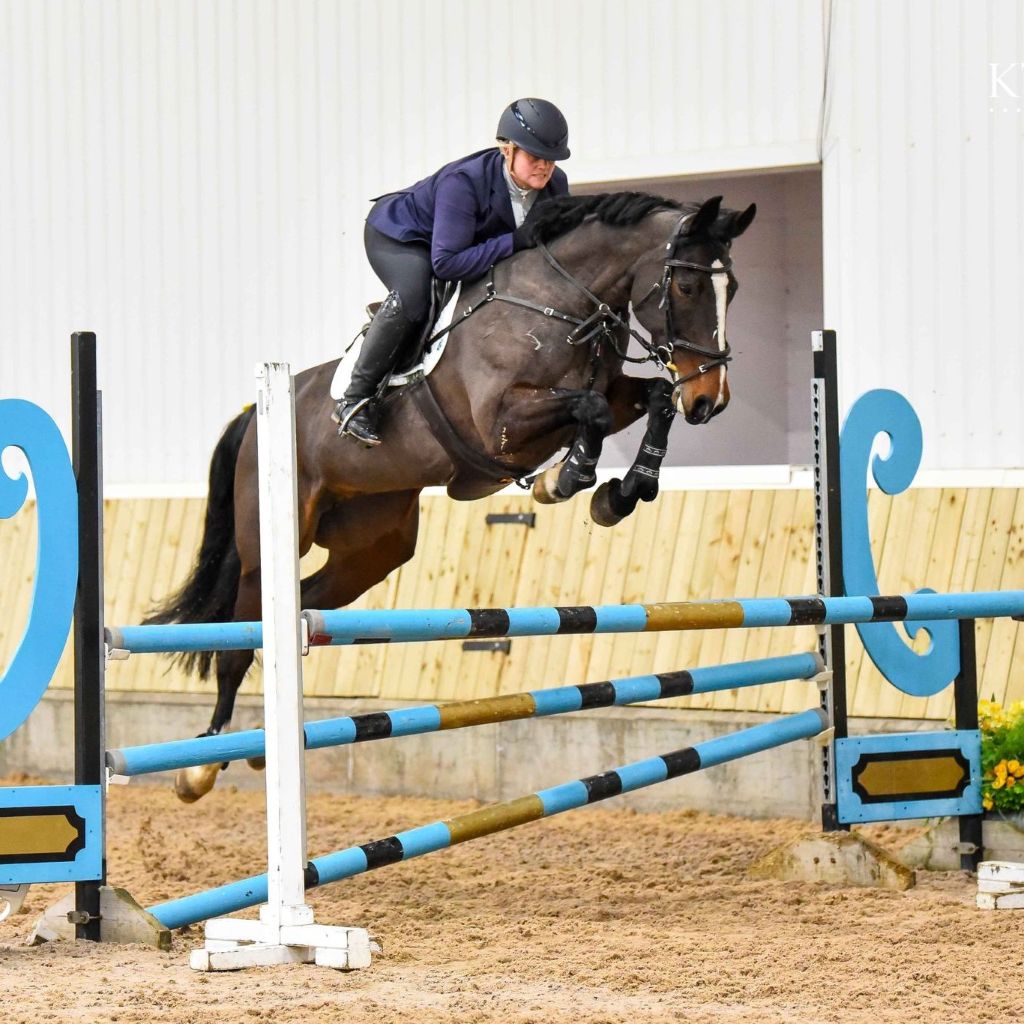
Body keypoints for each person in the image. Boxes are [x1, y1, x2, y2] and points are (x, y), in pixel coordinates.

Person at [334, 98, 572, 446]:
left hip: (459, 244)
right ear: (507, 150)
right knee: (415, 296)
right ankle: (354, 399)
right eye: (535, 157)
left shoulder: (555, 184)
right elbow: (446, 264)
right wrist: (514, 242)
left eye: (550, 160)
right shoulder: (463, 182)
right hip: (401, 237)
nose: (544, 167)